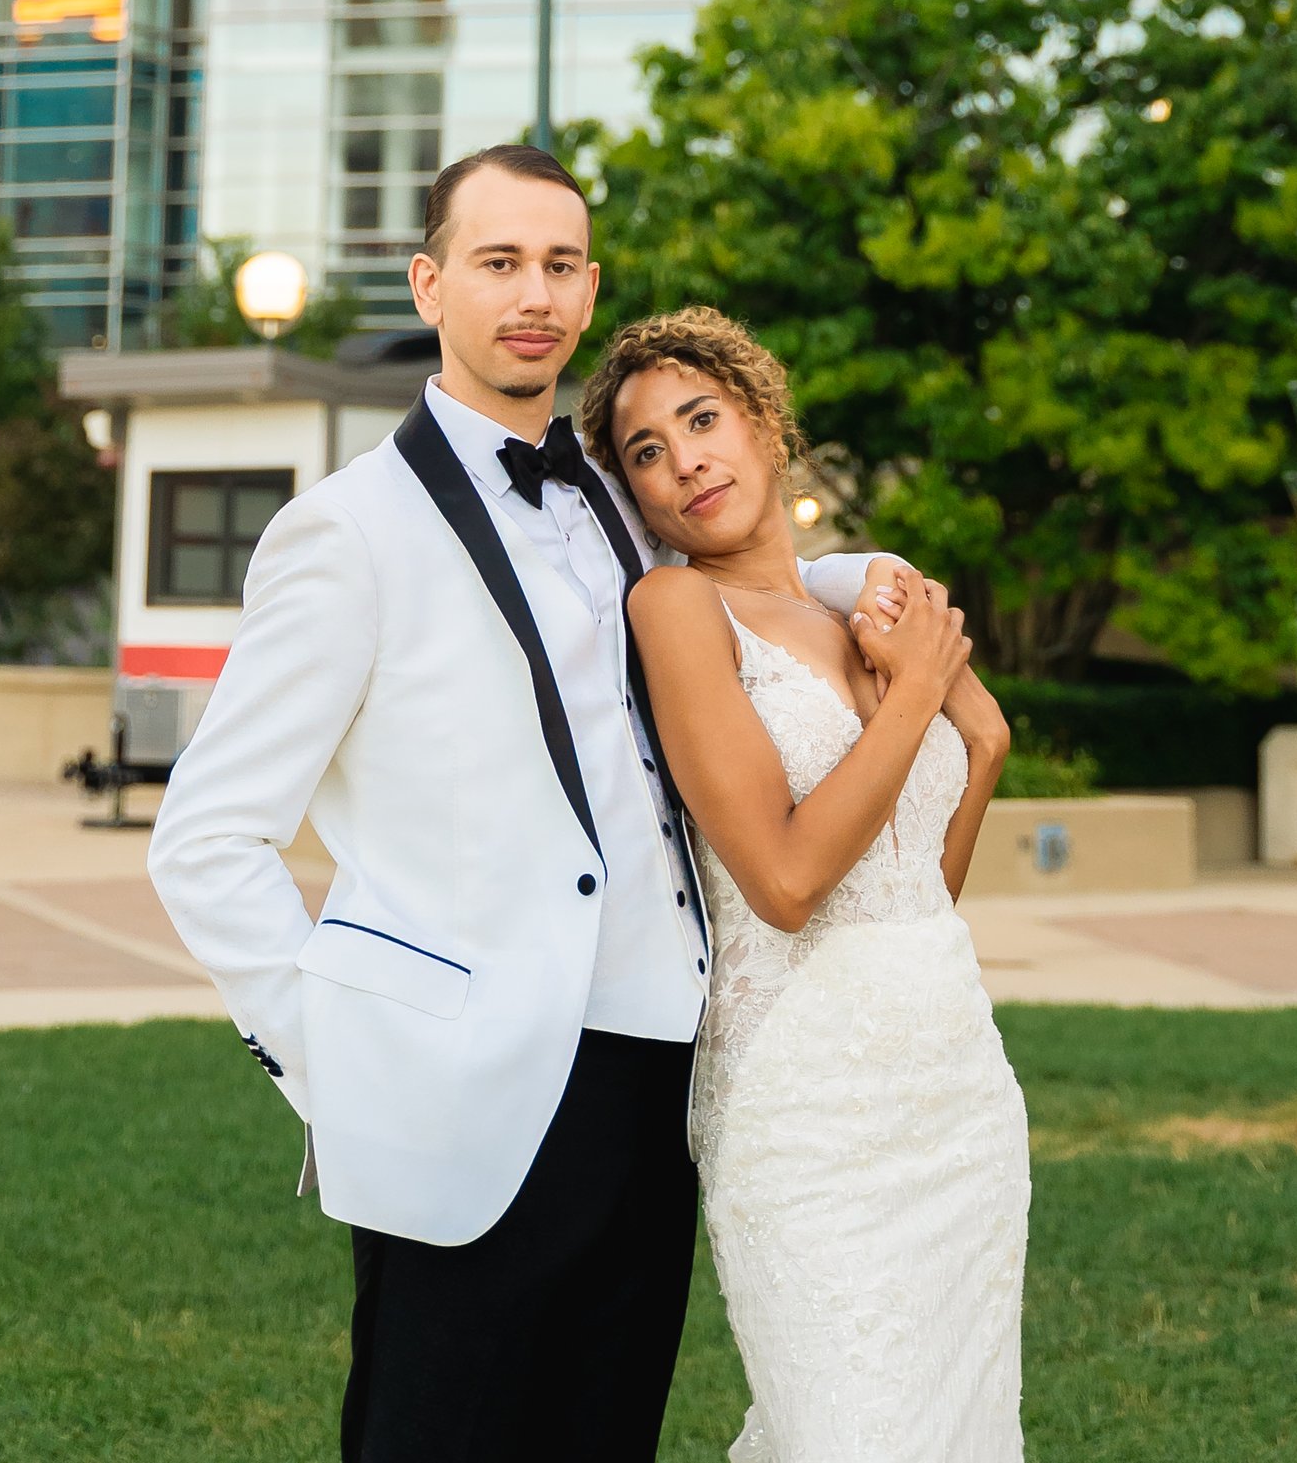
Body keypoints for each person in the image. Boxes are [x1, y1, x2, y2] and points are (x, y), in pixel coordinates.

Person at [146, 144, 909, 1463]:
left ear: (591, 281)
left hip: (657, 1074)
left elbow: (746, 575)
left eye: (560, 264)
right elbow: (207, 841)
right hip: (458, 1087)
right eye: (498, 262)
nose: (533, 293)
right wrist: (343, 1059)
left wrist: (865, 586)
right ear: (432, 282)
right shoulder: (349, 530)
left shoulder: (620, 496)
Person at [579, 308, 1026, 1463]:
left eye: (701, 419)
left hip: (955, 1087)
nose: (683, 460)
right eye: (645, 451)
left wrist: (981, 745)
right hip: (804, 1106)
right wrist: (918, 697)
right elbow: (782, 881)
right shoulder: (677, 608)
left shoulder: (858, 610)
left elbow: (911, 892)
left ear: (766, 425)